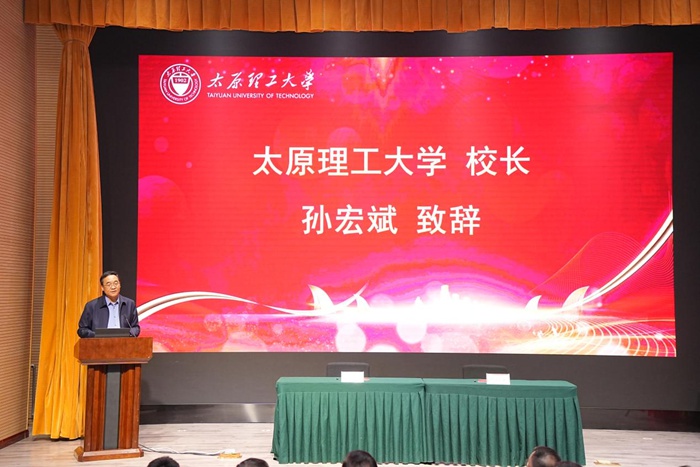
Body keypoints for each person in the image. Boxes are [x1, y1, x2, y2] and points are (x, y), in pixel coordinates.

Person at [77, 271, 140, 337]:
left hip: (124, 342)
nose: (113, 287)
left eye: (116, 283)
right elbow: (82, 330)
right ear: (102, 288)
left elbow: (135, 328)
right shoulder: (92, 306)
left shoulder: (129, 304)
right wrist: (97, 336)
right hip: (99, 342)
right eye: (108, 284)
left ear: (120, 285)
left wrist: (129, 334)